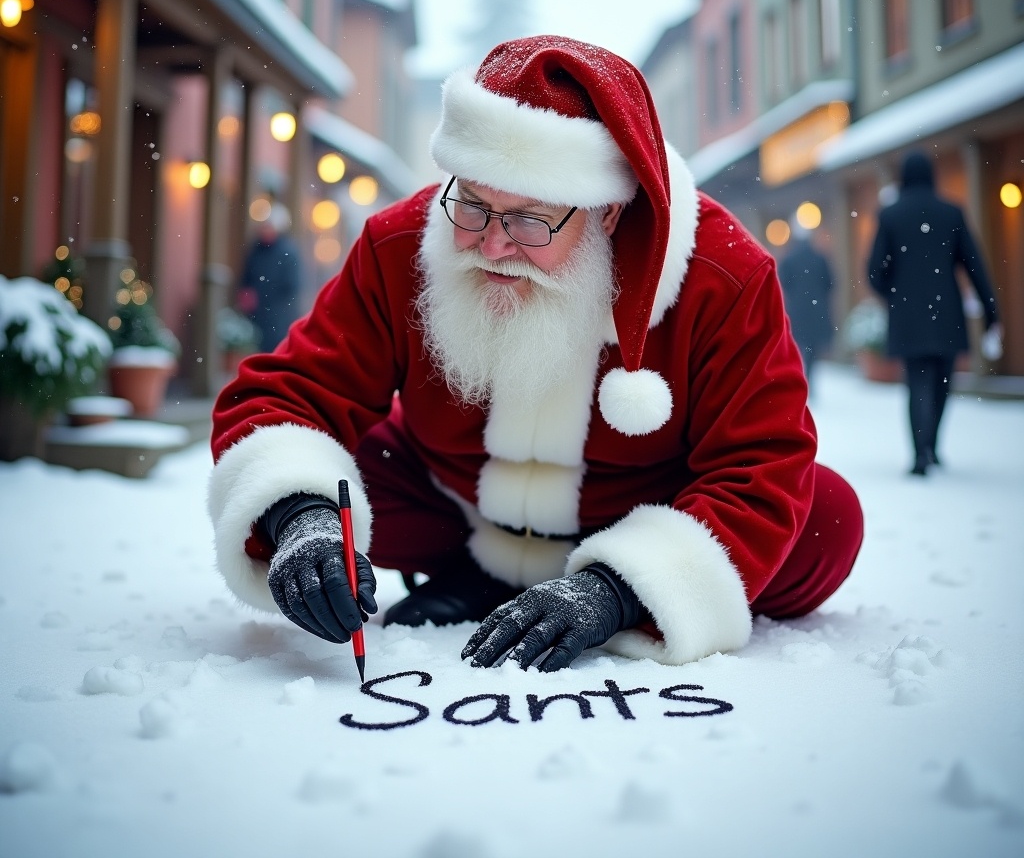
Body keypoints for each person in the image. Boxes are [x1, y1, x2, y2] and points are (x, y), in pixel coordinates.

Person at [208, 36, 864, 673]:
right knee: (346, 462)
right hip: (455, 513)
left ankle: (614, 582)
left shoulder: (722, 274)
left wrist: (618, 590)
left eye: (528, 220)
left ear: (608, 211)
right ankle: (476, 575)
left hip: (641, 516)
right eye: (472, 204)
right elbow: (288, 390)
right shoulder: (400, 245)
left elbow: (761, 458)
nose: (491, 246)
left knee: (824, 517)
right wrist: (299, 513)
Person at [867, 151, 1001, 476]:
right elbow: (975, 265)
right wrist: (990, 312)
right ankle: (932, 445)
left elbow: (874, 271)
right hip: (946, 312)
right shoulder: (951, 213)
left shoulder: (890, 215)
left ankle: (920, 453)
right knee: (942, 383)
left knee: (917, 383)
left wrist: (895, 297)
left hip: (908, 316)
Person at [236, 202, 301, 352]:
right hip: (255, 313)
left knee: (273, 348)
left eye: (268, 227)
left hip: (277, 315)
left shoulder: (288, 252)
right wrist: (247, 293)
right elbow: (247, 275)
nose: (265, 230)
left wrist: (268, 297)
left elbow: (292, 285)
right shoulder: (256, 249)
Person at [778, 224, 834, 393]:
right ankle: (808, 378)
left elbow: (784, 283)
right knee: (812, 348)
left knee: (797, 346)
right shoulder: (820, 258)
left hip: (796, 311)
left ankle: (799, 379)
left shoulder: (789, 259)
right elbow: (830, 283)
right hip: (816, 310)